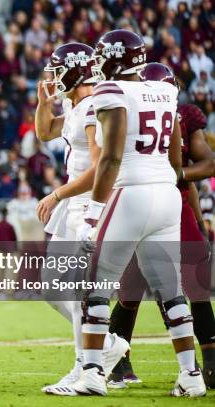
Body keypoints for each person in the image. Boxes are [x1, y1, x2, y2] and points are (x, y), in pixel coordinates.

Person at [65, 30, 206, 397]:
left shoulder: (111, 92)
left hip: (131, 193)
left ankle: (93, 373)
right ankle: (191, 376)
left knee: (94, 288)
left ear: (112, 58)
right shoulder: (165, 90)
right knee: (171, 291)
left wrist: (93, 213)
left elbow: (110, 158)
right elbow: (176, 160)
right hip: (167, 194)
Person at [108, 63, 215, 389]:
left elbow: (205, 165)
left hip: (172, 203)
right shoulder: (130, 114)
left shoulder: (180, 116)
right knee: (131, 288)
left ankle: (207, 363)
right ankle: (118, 360)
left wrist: (195, 216)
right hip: (146, 202)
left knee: (193, 287)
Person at [34, 43, 129, 395]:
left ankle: (84, 364)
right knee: (49, 285)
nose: (54, 77)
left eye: (58, 71)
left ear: (74, 71)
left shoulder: (92, 106)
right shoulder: (76, 105)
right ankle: (106, 346)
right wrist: (44, 103)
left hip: (87, 203)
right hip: (73, 203)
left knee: (77, 292)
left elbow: (99, 166)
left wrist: (58, 193)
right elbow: (45, 132)